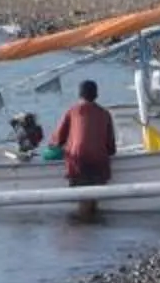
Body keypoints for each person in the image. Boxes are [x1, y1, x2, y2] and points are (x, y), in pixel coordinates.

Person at [49, 78, 118, 220]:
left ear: (79, 95)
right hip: (99, 162)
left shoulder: (72, 111)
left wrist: (54, 146)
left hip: (77, 161)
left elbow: (57, 140)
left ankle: (84, 226)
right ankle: (91, 226)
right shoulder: (105, 114)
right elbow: (111, 149)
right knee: (93, 198)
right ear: (97, 95)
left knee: (83, 199)